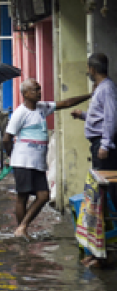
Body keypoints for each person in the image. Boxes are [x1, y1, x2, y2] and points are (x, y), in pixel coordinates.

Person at [3, 78, 92, 239]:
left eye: (39, 89)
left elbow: (66, 103)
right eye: (35, 90)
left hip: (37, 163)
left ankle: (22, 227)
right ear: (25, 94)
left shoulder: (42, 107)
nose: (39, 92)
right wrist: (11, 157)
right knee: (22, 196)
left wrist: (90, 95)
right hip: (23, 161)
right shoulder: (20, 113)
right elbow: (6, 138)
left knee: (43, 195)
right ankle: (21, 230)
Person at [70, 53, 117, 267]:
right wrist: (83, 116)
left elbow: (111, 117)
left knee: (105, 197)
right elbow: (99, 117)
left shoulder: (106, 88)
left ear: (92, 69)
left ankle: (103, 253)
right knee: (99, 196)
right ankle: (99, 251)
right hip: (98, 144)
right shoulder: (100, 89)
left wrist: (106, 144)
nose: (87, 72)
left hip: (103, 147)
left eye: (88, 68)